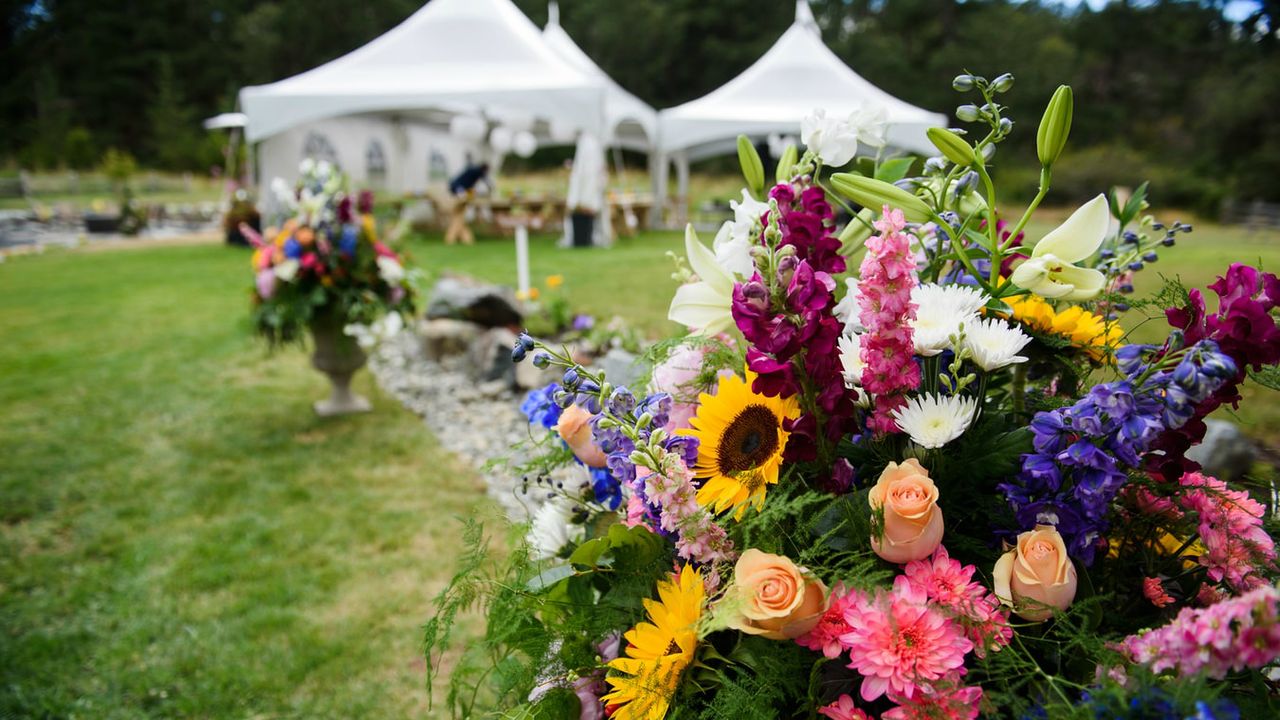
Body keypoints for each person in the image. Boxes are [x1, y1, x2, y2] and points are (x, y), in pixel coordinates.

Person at [444, 162, 490, 245]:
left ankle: (463, 238)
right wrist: (490, 188)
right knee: (459, 211)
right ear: (484, 169)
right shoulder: (478, 171)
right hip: (458, 188)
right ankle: (454, 238)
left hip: (456, 187)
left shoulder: (473, 169)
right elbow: (485, 181)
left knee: (459, 214)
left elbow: (470, 184)